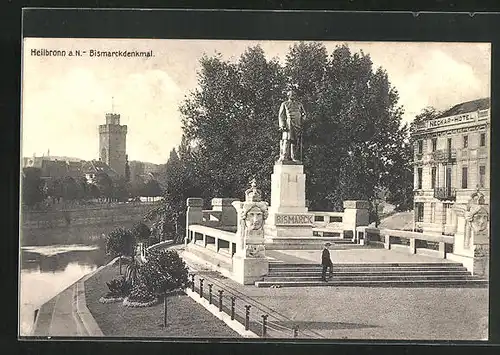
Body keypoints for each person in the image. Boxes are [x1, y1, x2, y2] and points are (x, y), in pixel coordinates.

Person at [278, 90, 306, 162]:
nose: (293, 95)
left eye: (294, 94)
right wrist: (282, 125)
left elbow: (304, 113)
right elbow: (281, 115)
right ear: (288, 95)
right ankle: (284, 156)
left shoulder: (299, 104)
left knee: (295, 141)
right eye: (291, 94)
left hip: (297, 123)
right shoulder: (284, 104)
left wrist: (302, 119)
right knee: (287, 139)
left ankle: (294, 157)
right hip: (288, 123)